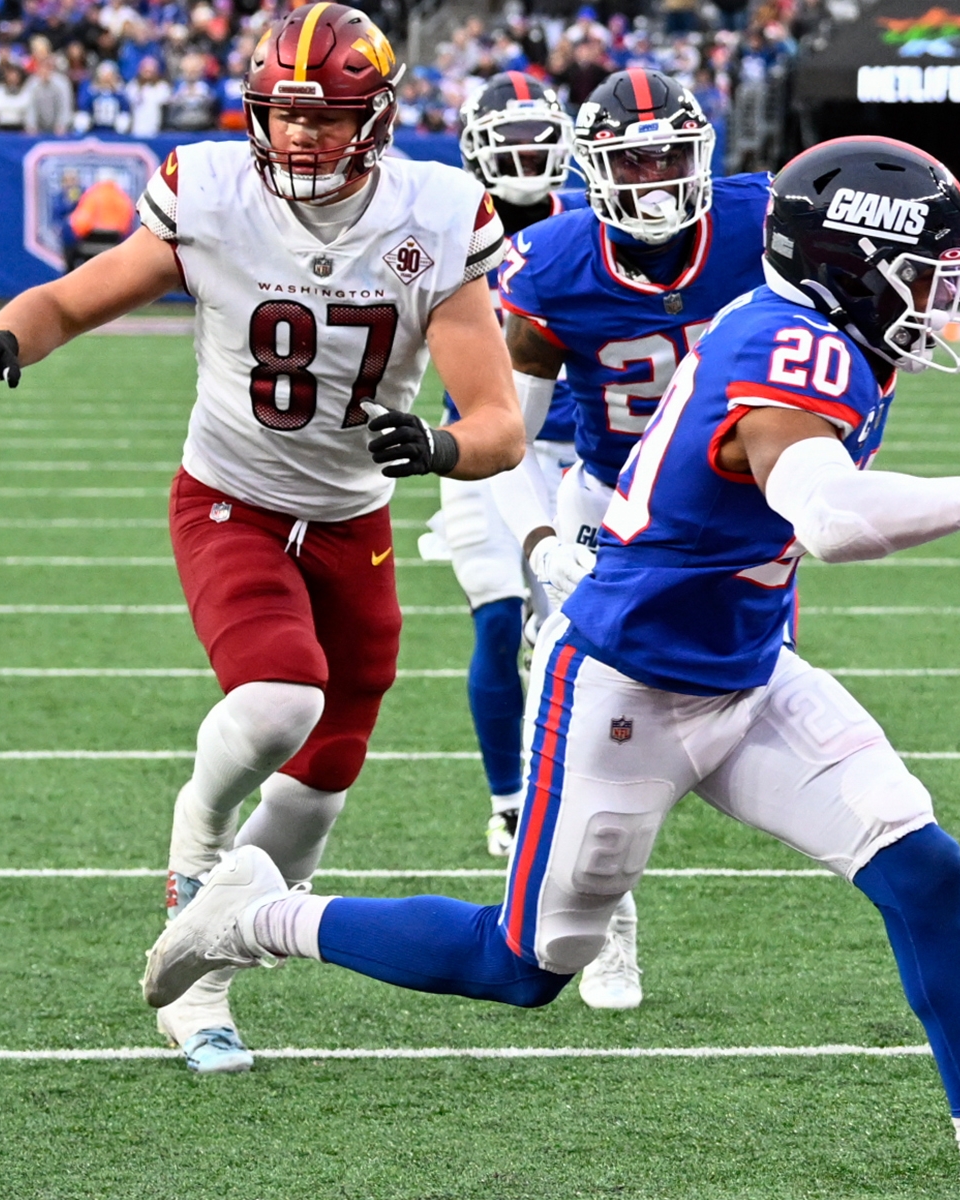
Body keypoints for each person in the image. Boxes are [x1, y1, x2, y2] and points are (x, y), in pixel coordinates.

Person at [140, 135, 960, 1200]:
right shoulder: (796, 351)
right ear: (856, 261)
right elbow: (831, 519)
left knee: (923, 869)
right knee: (521, 966)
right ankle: (256, 913)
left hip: (747, 673)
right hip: (627, 683)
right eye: (929, 268)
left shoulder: (822, 330)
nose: (948, 293)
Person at [0, 4, 523, 1076]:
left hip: (354, 518)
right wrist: (5, 336)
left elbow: (499, 425)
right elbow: (77, 296)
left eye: (329, 116)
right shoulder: (209, 190)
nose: (301, 136)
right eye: (285, 113)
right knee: (280, 700)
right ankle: (196, 870)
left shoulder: (434, 212)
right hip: (232, 500)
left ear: (378, 117)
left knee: (332, 763)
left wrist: (437, 444)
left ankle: (206, 962)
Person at [482, 68, 772, 1010]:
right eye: (630, 162)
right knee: (581, 709)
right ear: (594, 171)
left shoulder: (759, 226)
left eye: (670, 158)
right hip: (608, 500)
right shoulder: (554, 263)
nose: (653, 182)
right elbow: (505, 435)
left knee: (735, 714)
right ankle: (608, 913)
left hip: (735, 513)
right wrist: (535, 540)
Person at [427, 70, 580, 861]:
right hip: (483, 447)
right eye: (508, 141)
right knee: (495, 623)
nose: (524, 156)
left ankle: (581, 777)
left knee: (571, 632)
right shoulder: (448, 223)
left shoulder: (590, 223)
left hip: (577, 452)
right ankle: (511, 803)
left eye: (536, 139)